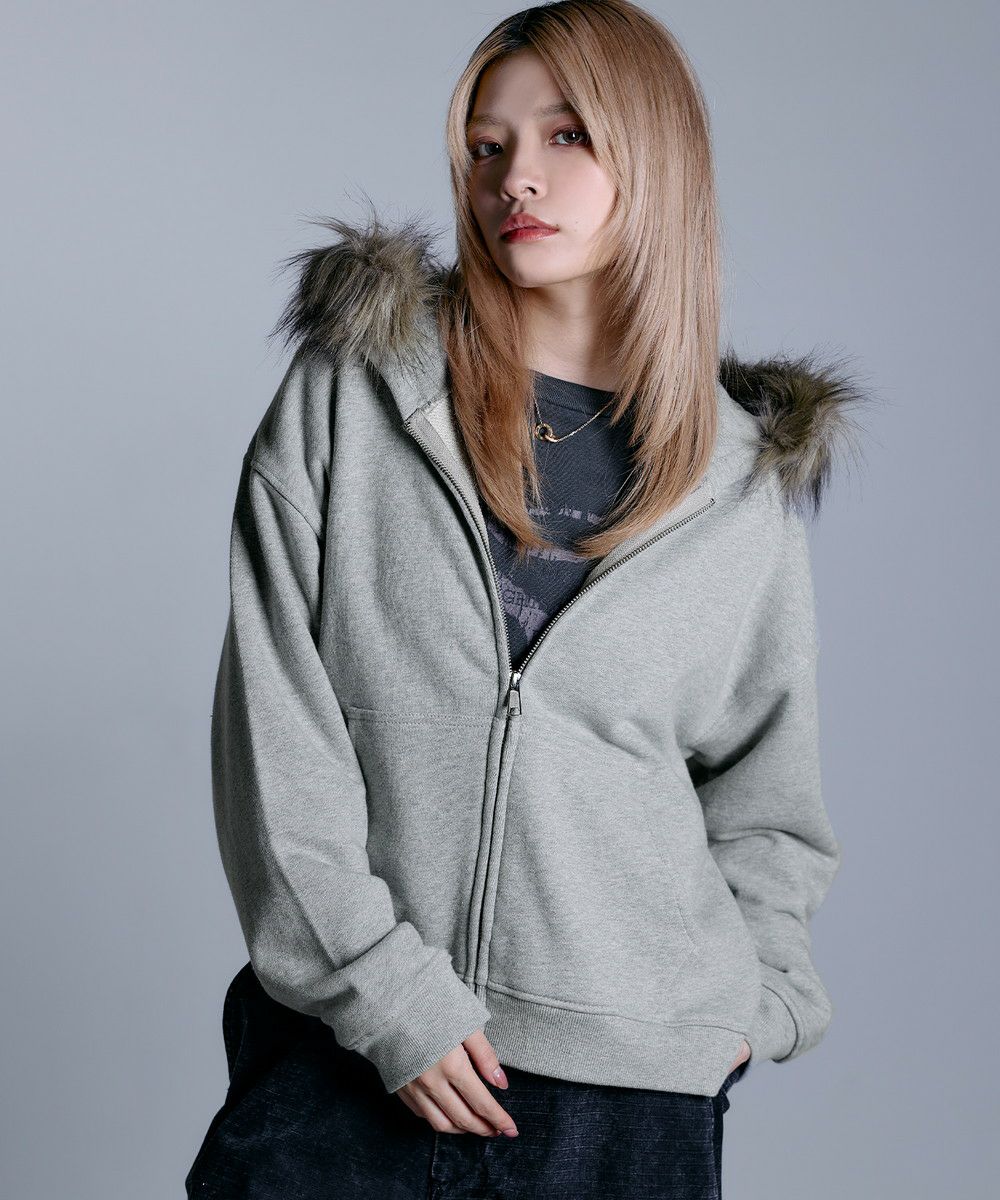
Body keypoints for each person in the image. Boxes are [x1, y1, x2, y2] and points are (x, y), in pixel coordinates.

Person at [186, 2, 868, 1196]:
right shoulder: (359, 395)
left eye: (567, 136)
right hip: (342, 1068)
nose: (517, 179)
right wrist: (384, 995)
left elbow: (769, 802)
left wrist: (749, 1002)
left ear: (655, 156)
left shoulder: (737, 482)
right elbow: (277, 727)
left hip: (627, 1107)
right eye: (486, 145)